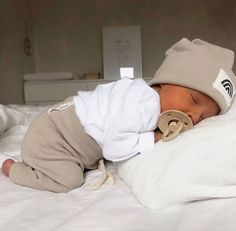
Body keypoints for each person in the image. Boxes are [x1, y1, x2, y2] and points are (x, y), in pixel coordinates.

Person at [1, 38, 236, 192]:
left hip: (58, 124)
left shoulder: (148, 98)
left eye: (203, 117)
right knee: (69, 181)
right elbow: (114, 148)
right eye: (193, 101)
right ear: (167, 80)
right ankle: (13, 168)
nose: (193, 116)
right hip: (54, 135)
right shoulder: (144, 105)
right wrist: (151, 138)